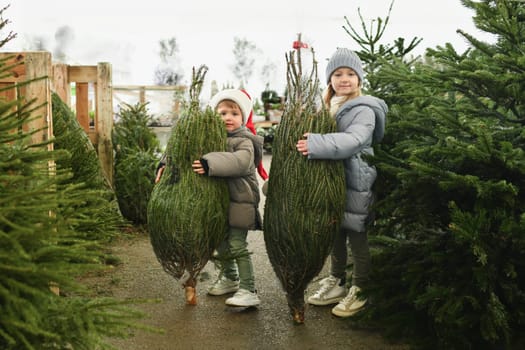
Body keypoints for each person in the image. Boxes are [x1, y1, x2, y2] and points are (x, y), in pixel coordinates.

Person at [296, 48, 388, 317]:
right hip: (331, 183)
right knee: (335, 234)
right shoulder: (326, 107)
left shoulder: (365, 109)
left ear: (359, 79)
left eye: (350, 73)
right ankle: (335, 280)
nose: (344, 79)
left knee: (357, 238)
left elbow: (354, 140)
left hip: (356, 182)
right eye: (337, 74)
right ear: (330, 79)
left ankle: (361, 288)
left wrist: (315, 143)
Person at [191, 89, 264, 307]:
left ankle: (248, 288)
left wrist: (208, 163)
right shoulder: (210, 138)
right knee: (220, 242)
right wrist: (165, 162)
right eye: (222, 113)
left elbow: (240, 162)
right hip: (220, 202)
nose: (227, 118)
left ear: (243, 118)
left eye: (234, 113)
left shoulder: (245, 141)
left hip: (240, 200)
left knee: (236, 244)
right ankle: (230, 278)